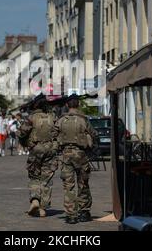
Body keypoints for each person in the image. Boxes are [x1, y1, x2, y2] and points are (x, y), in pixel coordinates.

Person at [53, 95, 98, 224]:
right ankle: (84, 212)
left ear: (67, 105)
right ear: (78, 104)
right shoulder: (83, 119)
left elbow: (53, 134)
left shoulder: (61, 120)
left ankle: (71, 215)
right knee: (83, 184)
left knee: (69, 186)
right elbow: (94, 134)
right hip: (81, 154)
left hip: (66, 155)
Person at [19, 95, 58, 218]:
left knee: (34, 176)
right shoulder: (53, 117)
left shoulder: (31, 118)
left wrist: (25, 143)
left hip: (36, 149)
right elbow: (58, 132)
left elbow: (22, 133)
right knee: (47, 179)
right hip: (50, 150)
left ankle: (35, 199)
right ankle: (43, 208)